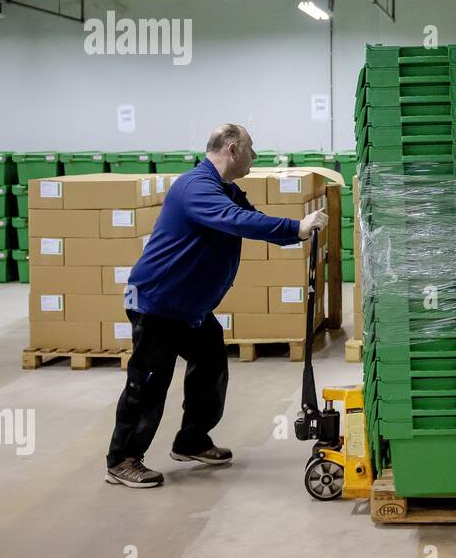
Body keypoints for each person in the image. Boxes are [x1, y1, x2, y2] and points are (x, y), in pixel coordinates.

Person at [105, 124, 328, 489]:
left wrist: (297, 232)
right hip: (158, 303)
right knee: (148, 381)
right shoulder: (197, 187)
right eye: (251, 148)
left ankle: (191, 440)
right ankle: (122, 460)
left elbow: (250, 219)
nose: (256, 156)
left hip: (190, 308)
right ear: (232, 149)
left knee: (210, 363)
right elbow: (235, 221)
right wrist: (296, 227)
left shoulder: (226, 190)